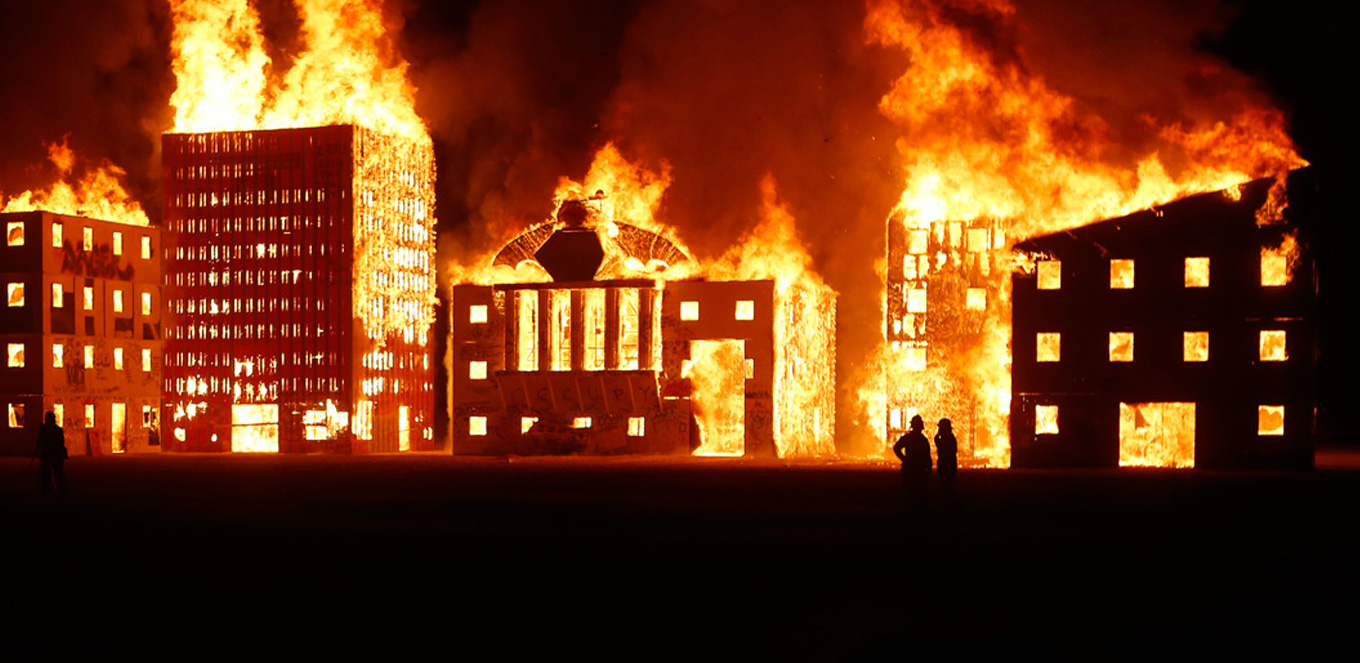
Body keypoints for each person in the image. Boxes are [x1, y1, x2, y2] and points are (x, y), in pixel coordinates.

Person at [893, 415, 932, 505]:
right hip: (919, 470)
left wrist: (904, 459)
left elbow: (896, 448)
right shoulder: (923, 440)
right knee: (919, 493)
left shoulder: (908, 438)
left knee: (909, 492)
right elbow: (927, 456)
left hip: (910, 468)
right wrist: (929, 468)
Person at [35, 411, 68, 499]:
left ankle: (51, 492)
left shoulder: (49, 430)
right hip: (52, 454)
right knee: (52, 474)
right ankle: (55, 491)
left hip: (52, 454)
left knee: (53, 474)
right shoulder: (57, 430)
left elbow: (40, 443)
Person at [934, 418, 958, 495]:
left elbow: (939, 444)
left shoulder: (948, 439)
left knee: (946, 487)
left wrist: (938, 435)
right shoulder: (951, 438)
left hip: (946, 466)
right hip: (950, 466)